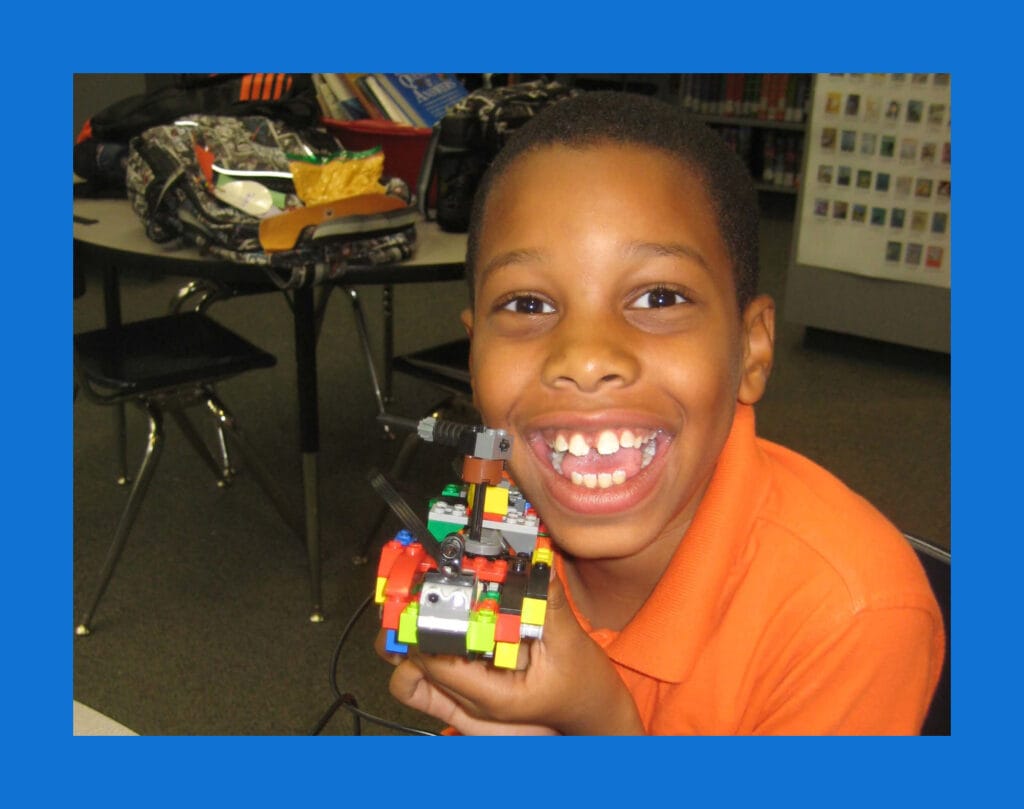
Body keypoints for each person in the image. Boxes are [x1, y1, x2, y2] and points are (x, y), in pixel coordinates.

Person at [376, 91, 945, 735]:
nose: (585, 359)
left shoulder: (855, 619)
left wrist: (598, 725)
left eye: (659, 295)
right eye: (529, 305)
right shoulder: (496, 498)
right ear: (474, 348)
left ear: (752, 348)